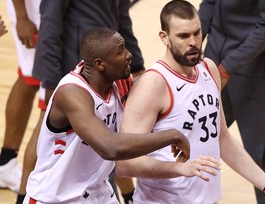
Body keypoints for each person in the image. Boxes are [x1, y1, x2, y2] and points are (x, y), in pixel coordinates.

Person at [116, 0, 265, 203]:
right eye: (183, 36)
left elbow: (222, 139)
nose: (194, 42)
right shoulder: (152, 85)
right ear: (164, 37)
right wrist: (179, 168)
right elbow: (125, 163)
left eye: (197, 33)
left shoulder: (209, 69)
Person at [23, 27, 206, 203]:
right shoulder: (72, 93)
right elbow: (110, 147)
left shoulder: (119, 82)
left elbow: (156, 87)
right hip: (54, 198)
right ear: (99, 64)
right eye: (120, 51)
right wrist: (171, 136)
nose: (129, 54)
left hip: (97, 193)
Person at [20, 0, 145, 203]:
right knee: (48, 135)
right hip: (73, 65)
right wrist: (51, 80)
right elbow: (50, 18)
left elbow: (122, 17)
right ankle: (24, 196)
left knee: (111, 128)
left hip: (109, 65)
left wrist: (138, 67)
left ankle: (127, 196)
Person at [198, 0, 265, 203]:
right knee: (199, 141)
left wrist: (228, 67)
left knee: (259, 156)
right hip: (213, 60)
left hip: (253, 69)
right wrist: (194, 40)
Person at [0, 0, 45, 199]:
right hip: (33, 10)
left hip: (51, 7)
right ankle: (27, 186)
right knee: (39, 84)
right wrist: (22, 17)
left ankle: (6, 163)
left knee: (31, 80)